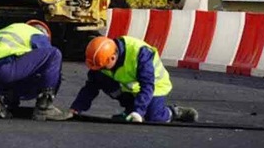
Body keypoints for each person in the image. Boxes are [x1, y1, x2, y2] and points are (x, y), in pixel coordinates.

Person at [69, 36, 199, 123]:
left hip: (155, 86)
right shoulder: (103, 59)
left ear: (113, 58)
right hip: (131, 87)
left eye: (102, 66)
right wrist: (76, 108)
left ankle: (173, 112)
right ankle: (130, 108)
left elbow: (148, 85)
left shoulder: (140, 53)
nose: (100, 68)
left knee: (153, 117)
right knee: (100, 78)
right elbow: (91, 86)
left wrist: (138, 112)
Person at [0, 20, 72, 121]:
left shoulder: (11, 30)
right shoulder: (37, 34)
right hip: (5, 68)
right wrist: (53, 80)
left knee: (21, 69)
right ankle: (44, 107)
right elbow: (48, 61)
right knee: (54, 54)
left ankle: (6, 104)